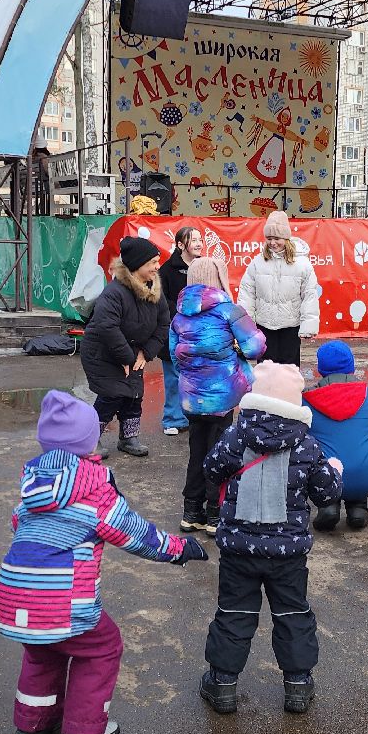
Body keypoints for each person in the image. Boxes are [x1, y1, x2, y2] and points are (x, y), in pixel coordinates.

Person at [0, 391, 208, 734]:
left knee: (43, 650)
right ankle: (83, 733)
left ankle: (31, 724)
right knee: (101, 647)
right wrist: (179, 550)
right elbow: (136, 534)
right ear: (89, 441)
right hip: (62, 601)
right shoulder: (94, 489)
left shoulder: (33, 487)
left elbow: (17, 524)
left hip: (16, 594)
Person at [199, 362, 342, 716]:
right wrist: (335, 471)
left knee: (234, 613)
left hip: (238, 549)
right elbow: (326, 494)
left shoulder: (236, 435)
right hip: (287, 554)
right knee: (293, 613)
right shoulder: (306, 445)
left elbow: (211, 468)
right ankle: (297, 685)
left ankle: (223, 686)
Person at [169, 256, 265, 533]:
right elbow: (255, 347)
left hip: (190, 396)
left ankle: (191, 512)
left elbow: (175, 358)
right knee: (221, 451)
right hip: (223, 396)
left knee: (197, 450)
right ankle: (215, 514)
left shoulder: (179, 315)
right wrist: (234, 350)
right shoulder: (229, 311)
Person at [302, 339, 368, 531]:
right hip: (366, 474)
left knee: (311, 455)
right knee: (360, 456)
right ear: (352, 368)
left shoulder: (306, 400)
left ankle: (328, 506)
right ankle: (358, 508)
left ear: (320, 370)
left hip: (326, 476)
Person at [79, 236, 170, 458]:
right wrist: (127, 357)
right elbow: (106, 327)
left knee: (134, 394)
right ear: (138, 265)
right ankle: (89, 440)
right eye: (152, 263)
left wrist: (145, 353)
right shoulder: (115, 292)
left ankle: (129, 438)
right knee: (112, 395)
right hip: (103, 353)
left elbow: (163, 322)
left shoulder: (154, 290)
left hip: (134, 352)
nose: (157, 267)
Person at [236, 210, 320, 366]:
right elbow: (247, 294)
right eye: (269, 239)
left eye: (277, 238)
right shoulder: (257, 262)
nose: (272, 243)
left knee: (290, 369)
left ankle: (290, 392)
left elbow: (309, 295)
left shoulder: (302, 264)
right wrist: (245, 325)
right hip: (264, 325)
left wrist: (308, 326)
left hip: (290, 327)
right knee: (265, 368)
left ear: (286, 238)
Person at [157, 226, 203, 436]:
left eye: (200, 239)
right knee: (173, 377)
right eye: (193, 240)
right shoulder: (167, 270)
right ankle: (172, 419)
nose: (198, 243)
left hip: (198, 332)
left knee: (196, 376)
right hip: (175, 331)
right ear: (180, 245)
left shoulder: (204, 267)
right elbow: (160, 300)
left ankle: (192, 417)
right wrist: (182, 311)